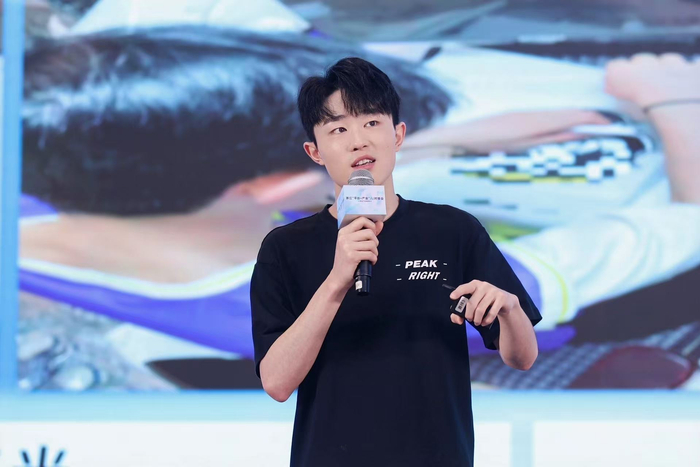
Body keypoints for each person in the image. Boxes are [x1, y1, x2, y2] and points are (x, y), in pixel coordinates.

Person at [249, 57, 541, 466]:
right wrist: (337, 281)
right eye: (338, 129)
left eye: (371, 122)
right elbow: (277, 383)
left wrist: (510, 309)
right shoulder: (285, 248)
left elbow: (522, 358)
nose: (358, 141)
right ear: (314, 151)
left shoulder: (452, 229)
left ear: (398, 134)